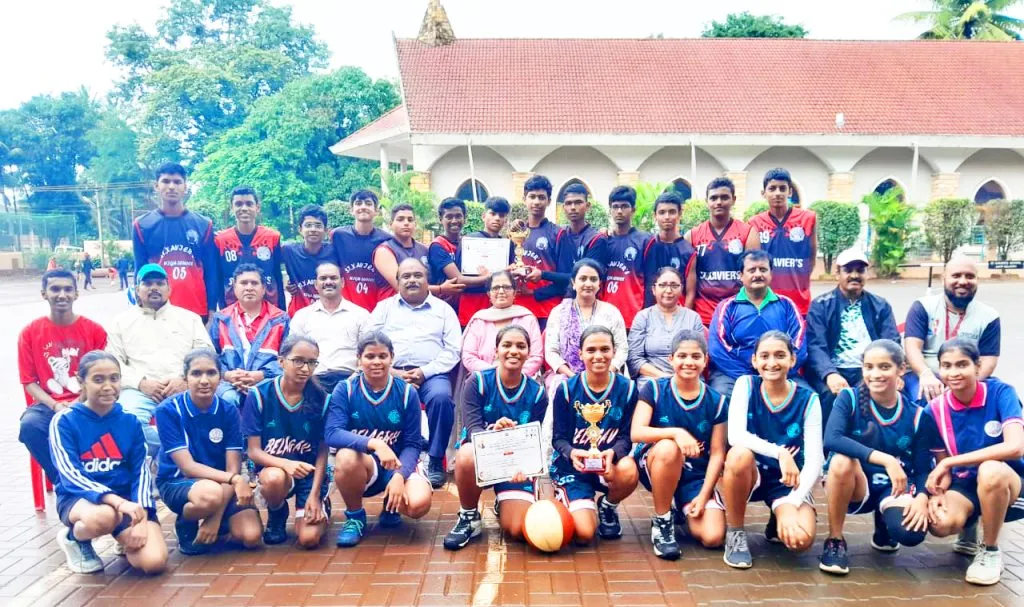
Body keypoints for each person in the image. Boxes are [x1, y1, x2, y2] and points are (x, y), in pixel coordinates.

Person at [819, 340, 931, 576]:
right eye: (869, 367)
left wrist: (922, 497)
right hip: (855, 485)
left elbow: (922, 468)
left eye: (884, 367)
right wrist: (886, 459)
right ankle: (835, 540)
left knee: (910, 533)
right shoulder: (848, 398)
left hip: (895, 487)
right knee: (841, 460)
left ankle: (884, 525)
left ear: (901, 369)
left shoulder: (918, 415)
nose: (875, 374)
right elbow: (832, 439)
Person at [917, 338, 1024, 586]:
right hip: (965, 484)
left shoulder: (1000, 392)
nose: (953, 372)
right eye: (946, 365)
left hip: (1009, 481)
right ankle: (969, 524)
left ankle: (990, 551)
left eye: (962, 364)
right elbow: (943, 463)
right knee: (940, 522)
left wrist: (949, 463)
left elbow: (1015, 447)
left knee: (990, 470)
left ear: (977, 366)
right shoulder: (934, 410)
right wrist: (938, 489)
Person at [49, 351, 166, 574]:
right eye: (98, 379)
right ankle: (75, 538)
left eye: (114, 378)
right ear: (80, 381)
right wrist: (118, 503)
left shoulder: (130, 421)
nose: (108, 386)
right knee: (104, 516)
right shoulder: (64, 421)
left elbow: (141, 471)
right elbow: (70, 473)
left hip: (127, 502)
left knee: (154, 562)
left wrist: (141, 518)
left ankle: (123, 537)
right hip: (81, 499)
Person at [721, 331, 823, 569]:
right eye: (764, 356)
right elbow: (735, 435)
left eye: (780, 355)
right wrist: (781, 452)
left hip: (788, 481)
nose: (771, 362)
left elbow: (815, 462)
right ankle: (735, 532)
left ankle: (777, 515)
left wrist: (793, 502)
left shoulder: (809, 399)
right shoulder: (745, 384)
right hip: (751, 474)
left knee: (800, 540)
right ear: (754, 360)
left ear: (792, 360)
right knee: (738, 455)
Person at [444, 326, 548, 550]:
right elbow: (472, 429)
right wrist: (494, 432)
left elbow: (533, 440)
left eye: (521, 346)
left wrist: (527, 470)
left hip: (514, 465)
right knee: (466, 454)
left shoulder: (538, 393)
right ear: (496, 350)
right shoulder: (477, 382)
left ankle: (504, 501)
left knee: (518, 529)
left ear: (528, 353)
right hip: (483, 458)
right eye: (507, 345)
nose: (514, 351)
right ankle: (469, 515)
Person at [326, 332, 433, 547]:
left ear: (391, 358)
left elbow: (413, 444)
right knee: (345, 457)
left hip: (399, 462)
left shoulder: (406, 393)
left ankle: (390, 505)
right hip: (363, 465)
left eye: (382, 356)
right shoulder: (345, 389)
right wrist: (375, 443)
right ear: (359, 359)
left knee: (418, 505)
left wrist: (399, 477)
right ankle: (355, 517)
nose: (376, 362)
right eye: (370, 356)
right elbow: (332, 433)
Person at [155, 349, 264, 555]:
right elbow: (188, 466)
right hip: (178, 482)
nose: (204, 380)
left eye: (211, 373)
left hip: (222, 484)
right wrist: (236, 479)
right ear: (185, 378)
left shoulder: (228, 409)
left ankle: (217, 517)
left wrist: (215, 518)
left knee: (251, 537)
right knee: (208, 495)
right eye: (196, 373)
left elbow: (232, 468)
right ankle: (187, 521)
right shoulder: (168, 410)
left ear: (220, 377)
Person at [631, 330, 728, 560]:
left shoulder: (718, 401)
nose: (688, 362)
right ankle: (663, 521)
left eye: (696, 357)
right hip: (656, 464)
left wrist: (704, 495)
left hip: (695, 477)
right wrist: (676, 433)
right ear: (671, 359)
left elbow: (717, 454)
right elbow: (637, 432)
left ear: (705, 360)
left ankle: (680, 504)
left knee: (712, 537)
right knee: (669, 448)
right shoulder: (654, 389)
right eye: (682, 356)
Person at [368, 258, 461, 488]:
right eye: (406, 276)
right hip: (389, 373)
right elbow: (368, 343)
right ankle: (386, 458)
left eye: (417, 275)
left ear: (427, 280)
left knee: (441, 398)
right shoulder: (384, 308)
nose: (412, 280)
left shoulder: (443, 310)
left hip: (431, 373)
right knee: (377, 401)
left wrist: (424, 371)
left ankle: (436, 458)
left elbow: (453, 350)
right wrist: (392, 372)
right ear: (397, 281)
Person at [107, 263, 213, 452]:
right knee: (125, 422)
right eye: (147, 283)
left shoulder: (189, 319)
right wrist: (141, 383)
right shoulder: (121, 322)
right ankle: (180, 454)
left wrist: (184, 379)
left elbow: (206, 354)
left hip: (183, 387)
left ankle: (173, 458)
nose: (154, 288)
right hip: (139, 390)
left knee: (212, 418)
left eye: (159, 283)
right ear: (137, 289)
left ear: (169, 289)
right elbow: (114, 364)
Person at [18, 269, 107, 488]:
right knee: (29, 425)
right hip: (49, 404)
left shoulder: (94, 331)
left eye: (68, 289)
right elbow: (29, 381)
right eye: (55, 289)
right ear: (44, 294)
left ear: (76, 294)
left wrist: (77, 403)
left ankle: (87, 480)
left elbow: (103, 376)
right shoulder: (30, 333)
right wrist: (56, 405)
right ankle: (65, 483)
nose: (62, 295)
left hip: (90, 401)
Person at [550, 326, 639, 544]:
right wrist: (572, 453)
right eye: (591, 350)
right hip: (574, 467)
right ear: (580, 353)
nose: (598, 356)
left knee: (628, 469)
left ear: (614, 352)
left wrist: (612, 454)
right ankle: (571, 495)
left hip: (608, 465)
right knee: (584, 533)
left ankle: (608, 506)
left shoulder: (628, 389)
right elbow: (558, 438)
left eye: (604, 349)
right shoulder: (567, 390)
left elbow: (627, 437)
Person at [242, 335, 330, 548]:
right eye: (298, 360)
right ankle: (277, 511)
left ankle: (321, 502)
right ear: (281, 361)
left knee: (308, 539)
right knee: (274, 478)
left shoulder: (322, 398)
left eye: (311, 362)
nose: (305, 368)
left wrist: (315, 494)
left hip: (309, 475)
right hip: (274, 470)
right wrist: (286, 464)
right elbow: (253, 451)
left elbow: (322, 453)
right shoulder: (259, 394)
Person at [805, 248, 900, 422]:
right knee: (829, 395)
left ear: (867, 274)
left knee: (887, 391)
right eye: (848, 270)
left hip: (870, 369)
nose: (855, 275)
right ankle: (830, 447)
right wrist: (829, 374)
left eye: (860, 270)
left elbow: (891, 342)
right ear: (837, 274)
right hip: (834, 368)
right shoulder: (820, 305)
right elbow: (815, 346)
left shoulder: (880, 305)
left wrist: (892, 372)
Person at [708, 250, 807, 397]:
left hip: (780, 372)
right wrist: (750, 377)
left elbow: (799, 347)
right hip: (734, 375)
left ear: (771, 274)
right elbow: (718, 350)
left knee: (807, 395)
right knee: (720, 396)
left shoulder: (787, 305)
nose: (758, 274)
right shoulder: (727, 307)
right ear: (741, 275)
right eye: (752, 270)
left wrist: (774, 372)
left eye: (763, 269)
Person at [904, 256, 1000, 403]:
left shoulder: (989, 316)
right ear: (943, 279)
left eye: (970, 276)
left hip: (968, 376)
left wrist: (965, 384)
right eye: (956, 275)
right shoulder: (923, 307)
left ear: (977, 280)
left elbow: (988, 360)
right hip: (927, 374)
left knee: (1004, 396)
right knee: (925, 398)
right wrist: (925, 374)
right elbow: (912, 347)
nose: (962, 281)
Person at [132, 162, 219, 320]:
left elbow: (211, 271)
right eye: (165, 181)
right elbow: (139, 268)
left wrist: (212, 310)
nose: (171, 186)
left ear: (185, 187)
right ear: (156, 186)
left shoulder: (204, 224)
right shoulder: (142, 225)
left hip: (196, 309)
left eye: (177, 182)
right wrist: (139, 304)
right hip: (157, 309)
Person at [208, 264, 289, 406]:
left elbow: (288, 359)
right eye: (244, 283)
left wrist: (261, 375)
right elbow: (210, 357)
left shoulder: (280, 319)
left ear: (264, 288)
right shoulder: (221, 318)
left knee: (264, 397)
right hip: (229, 383)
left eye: (254, 283)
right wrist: (227, 375)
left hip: (267, 381)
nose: (249, 287)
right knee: (228, 399)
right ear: (234, 287)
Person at [545, 259, 627, 393]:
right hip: (568, 377)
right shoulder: (559, 312)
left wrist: (607, 372)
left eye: (593, 279)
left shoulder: (611, 312)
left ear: (599, 284)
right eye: (583, 278)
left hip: (607, 374)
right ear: (573, 282)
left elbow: (622, 349)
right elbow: (551, 351)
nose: (588, 284)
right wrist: (574, 378)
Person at [685, 177, 757, 326]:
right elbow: (688, 282)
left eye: (724, 197)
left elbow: (754, 279)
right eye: (714, 198)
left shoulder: (748, 233)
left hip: (738, 314)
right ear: (707, 202)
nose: (719, 202)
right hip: (703, 316)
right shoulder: (692, 235)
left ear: (733, 200)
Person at [289, 262, 369, 394]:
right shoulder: (302, 316)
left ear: (342, 282)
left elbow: (368, 353)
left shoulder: (361, 315)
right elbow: (293, 353)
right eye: (323, 278)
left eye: (333, 278)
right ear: (315, 284)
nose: (328, 282)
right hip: (313, 381)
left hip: (352, 381)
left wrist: (353, 380)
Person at [748, 168, 818, 317]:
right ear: (764, 193)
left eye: (782, 188)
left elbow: (811, 259)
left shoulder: (808, 218)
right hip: (768, 303)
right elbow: (755, 264)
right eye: (772, 188)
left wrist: (798, 279)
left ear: (790, 192)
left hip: (800, 304)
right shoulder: (755, 223)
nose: (777, 193)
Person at [461, 270, 543, 378]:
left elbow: (536, 357)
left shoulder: (527, 319)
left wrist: (515, 376)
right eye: (495, 288)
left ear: (514, 293)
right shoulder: (479, 321)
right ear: (489, 294)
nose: (501, 291)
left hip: (523, 379)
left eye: (506, 287)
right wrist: (496, 375)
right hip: (485, 379)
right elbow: (469, 357)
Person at [214, 186, 285, 309]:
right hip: (233, 308)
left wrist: (282, 309)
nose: (244, 208)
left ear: (257, 207)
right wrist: (222, 309)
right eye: (238, 204)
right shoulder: (221, 240)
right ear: (232, 208)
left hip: (269, 307)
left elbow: (277, 275)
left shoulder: (272, 237)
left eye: (249, 204)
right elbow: (219, 278)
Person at [627, 267, 704, 380]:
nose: (668, 290)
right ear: (654, 289)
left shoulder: (693, 318)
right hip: (651, 381)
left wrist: (680, 378)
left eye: (674, 285)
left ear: (681, 288)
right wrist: (665, 377)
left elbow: (699, 355)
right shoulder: (643, 317)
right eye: (663, 285)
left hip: (688, 378)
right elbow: (634, 359)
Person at [454, 196, 516, 325]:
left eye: (501, 215)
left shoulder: (508, 245)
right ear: (483, 216)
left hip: (498, 299)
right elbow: (459, 275)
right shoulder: (468, 241)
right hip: (472, 299)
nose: (497, 218)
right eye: (493, 214)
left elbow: (510, 275)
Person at [602, 185, 654, 330]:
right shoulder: (603, 241)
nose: (619, 211)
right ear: (610, 210)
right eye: (615, 206)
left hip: (634, 319)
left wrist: (646, 315)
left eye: (624, 206)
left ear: (633, 210)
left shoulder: (645, 241)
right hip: (606, 318)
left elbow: (651, 282)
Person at [515, 175, 563, 327]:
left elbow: (565, 277)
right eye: (532, 197)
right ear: (524, 199)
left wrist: (535, 292)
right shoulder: (515, 233)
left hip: (547, 310)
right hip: (517, 308)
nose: (536, 202)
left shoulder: (558, 233)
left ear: (549, 201)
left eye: (541, 197)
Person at [331, 190, 391, 312]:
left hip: (376, 309)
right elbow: (323, 259)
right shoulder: (338, 236)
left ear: (376, 211)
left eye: (368, 204)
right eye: (358, 203)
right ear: (351, 210)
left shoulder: (387, 240)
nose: (363, 207)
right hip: (345, 309)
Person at [283, 204, 336, 317]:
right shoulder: (289, 251)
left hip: (329, 316)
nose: (313, 230)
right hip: (298, 317)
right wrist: (284, 284)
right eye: (308, 225)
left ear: (326, 230)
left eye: (318, 225)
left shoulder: (335, 252)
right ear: (300, 230)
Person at [645, 191, 696, 309]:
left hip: (676, 313)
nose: (667, 217)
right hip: (650, 314)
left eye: (672, 212)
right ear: (655, 216)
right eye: (662, 212)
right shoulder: (647, 245)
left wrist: (684, 320)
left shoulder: (688, 251)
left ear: (680, 214)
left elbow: (690, 293)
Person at [373, 204, 430, 301]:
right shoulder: (384, 251)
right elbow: (402, 286)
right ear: (390, 224)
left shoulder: (424, 249)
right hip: (393, 308)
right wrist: (441, 289)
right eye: (400, 219)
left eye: (410, 220)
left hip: (422, 307)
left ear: (415, 224)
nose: (406, 223)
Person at [426, 197, 473, 309]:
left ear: (465, 218)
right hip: (444, 306)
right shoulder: (438, 245)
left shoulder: (468, 243)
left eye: (458, 216)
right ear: (440, 219)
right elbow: (458, 280)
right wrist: (490, 277)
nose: (454, 221)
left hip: (466, 305)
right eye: (449, 217)